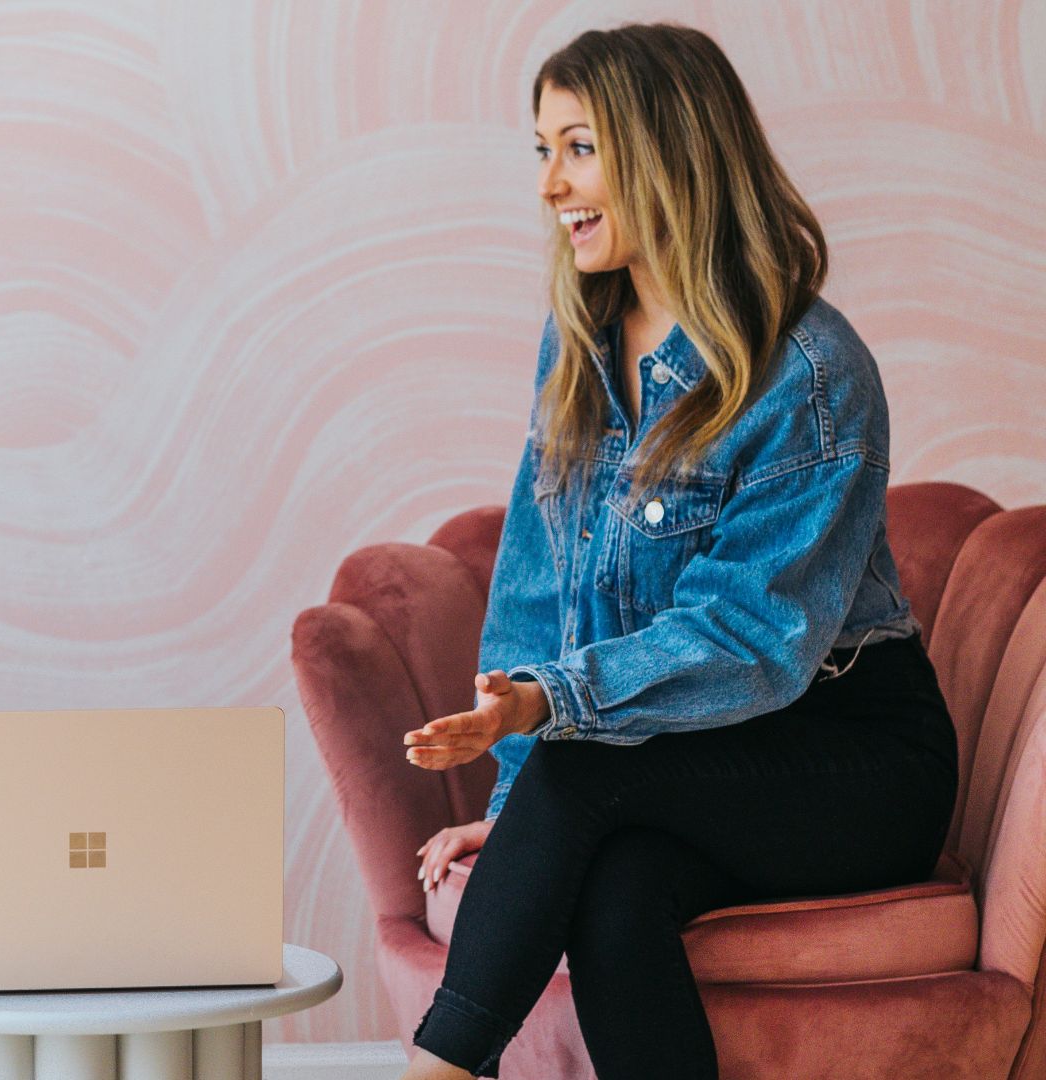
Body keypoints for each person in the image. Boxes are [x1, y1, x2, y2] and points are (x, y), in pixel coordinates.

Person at [396, 24, 957, 1080]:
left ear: (667, 152)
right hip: (679, 759)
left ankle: (434, 1071)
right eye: (541, 150)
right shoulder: (582, 344)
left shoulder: (811, 372)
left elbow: (751, 638)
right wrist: (515, 811)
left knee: (579, 776)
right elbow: (540, 592)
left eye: (578, 147)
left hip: (854, 755)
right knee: (616, 891)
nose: (549, 184)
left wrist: (547, 717)